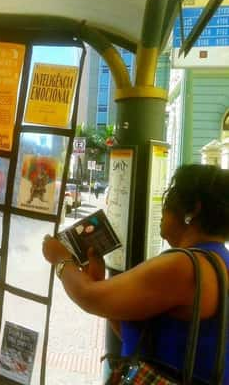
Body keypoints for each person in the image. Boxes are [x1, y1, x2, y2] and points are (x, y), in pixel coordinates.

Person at [42, 164, 228, 384]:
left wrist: (60, 258)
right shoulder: (218, 260)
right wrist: (99, 283)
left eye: (168, 198)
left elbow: (88, 295)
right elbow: (145, 343)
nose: (162, 208)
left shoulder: (184, 266)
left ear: (192, 210)